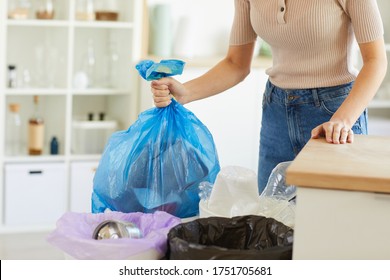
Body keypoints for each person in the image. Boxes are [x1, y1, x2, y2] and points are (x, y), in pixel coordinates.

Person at [150, 0, 387, 194]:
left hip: (334, 115)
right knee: (272, 221)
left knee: (331, 223)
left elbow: (376, 61)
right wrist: (187, 92)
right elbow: (236, 63)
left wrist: (343, 120)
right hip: (277, 111)